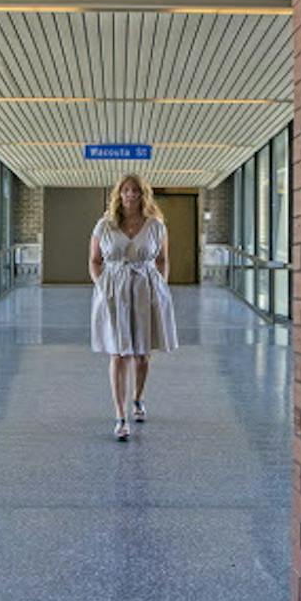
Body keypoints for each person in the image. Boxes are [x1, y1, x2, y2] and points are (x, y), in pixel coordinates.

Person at [89, 172, 179, 440]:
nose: (130, 195)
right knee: (118, 353)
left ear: (143, 195)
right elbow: (94, 260)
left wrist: (160, 285)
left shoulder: (156, 226)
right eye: (126, 190)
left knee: (141, 353)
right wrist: (101, 285)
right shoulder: (104, 225)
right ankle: (120, 415)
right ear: (119, 194)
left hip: (145, 289)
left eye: (135, 191)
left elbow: (163, 259)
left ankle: (138, 398)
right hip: (113, 292)